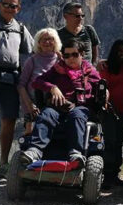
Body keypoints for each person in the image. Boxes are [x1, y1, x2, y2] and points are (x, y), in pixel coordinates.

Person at [20, 39, 101, 167]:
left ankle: (75, 152)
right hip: (58, 107)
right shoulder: (57, 69)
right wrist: (52, 87)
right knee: (46, 114)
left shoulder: (90, 71)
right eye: (66, 56)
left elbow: (101, 86)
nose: (70, 59)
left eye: (75, 54)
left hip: (80, 108)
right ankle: (35, 150)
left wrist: (105, 92)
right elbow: (37, 82)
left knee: (77, 115)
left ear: (82, 54)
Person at [0, 0, 34, 181]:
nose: (9, 8)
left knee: (9, 120)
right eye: (6, 4)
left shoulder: (20, 29)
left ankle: (3, 164)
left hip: (10, 78)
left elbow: (32, 50)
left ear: (18, 9)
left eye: (13, 6)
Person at [98, 39, 123, 187]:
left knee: (119, 142)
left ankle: (115, 174)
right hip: (109, 110)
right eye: (119, 51)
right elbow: (103, 85)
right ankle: (107, 175)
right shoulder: (106, 67)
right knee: (110, 142)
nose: (122, 54)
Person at [18, 28, 62, 135]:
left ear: (55, 41)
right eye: (43, 39)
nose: (47, 42)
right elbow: (21, 85)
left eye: (50, 39)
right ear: (38, 43)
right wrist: (29, 105)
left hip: (56, 106)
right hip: (34, 109)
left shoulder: (61, 60)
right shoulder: (32, 60)